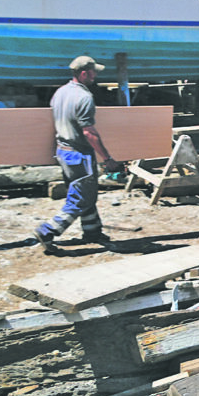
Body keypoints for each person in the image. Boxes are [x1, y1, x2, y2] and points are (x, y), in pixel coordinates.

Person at [35, 56, 123, 253]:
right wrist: (107, 158)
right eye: (93, 72)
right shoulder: (84, 97)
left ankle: (92, 232)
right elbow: (88, 132)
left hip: (63, 151)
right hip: (79, 153)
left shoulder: (60, 92)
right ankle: (48, 230)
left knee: (86, 193)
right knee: (81, 197)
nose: (95, 76)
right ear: (84, 73)